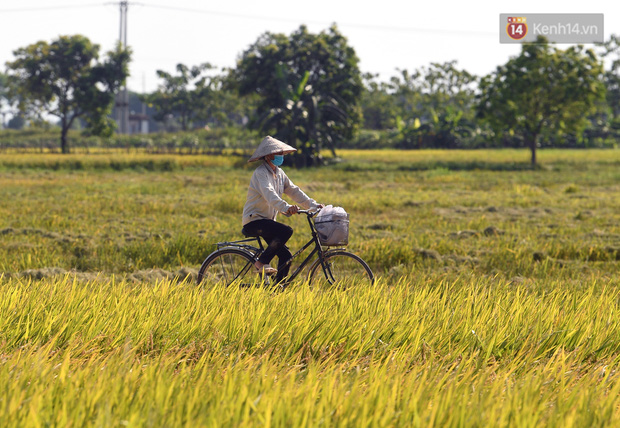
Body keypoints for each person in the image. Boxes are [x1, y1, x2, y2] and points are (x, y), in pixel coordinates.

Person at [242, 136, 323, 284]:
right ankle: (261, 263)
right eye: (277, 153)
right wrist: (286, 208)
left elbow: (294, 191)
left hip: (267, 223)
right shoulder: (261, 173)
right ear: (268, 156)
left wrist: (314, 205)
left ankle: (278, 291)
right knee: (286, 231)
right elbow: (269, 195)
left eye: (281, 153)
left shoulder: (279, 173)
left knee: (286, 256)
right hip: (254, 221)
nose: (280, 156)